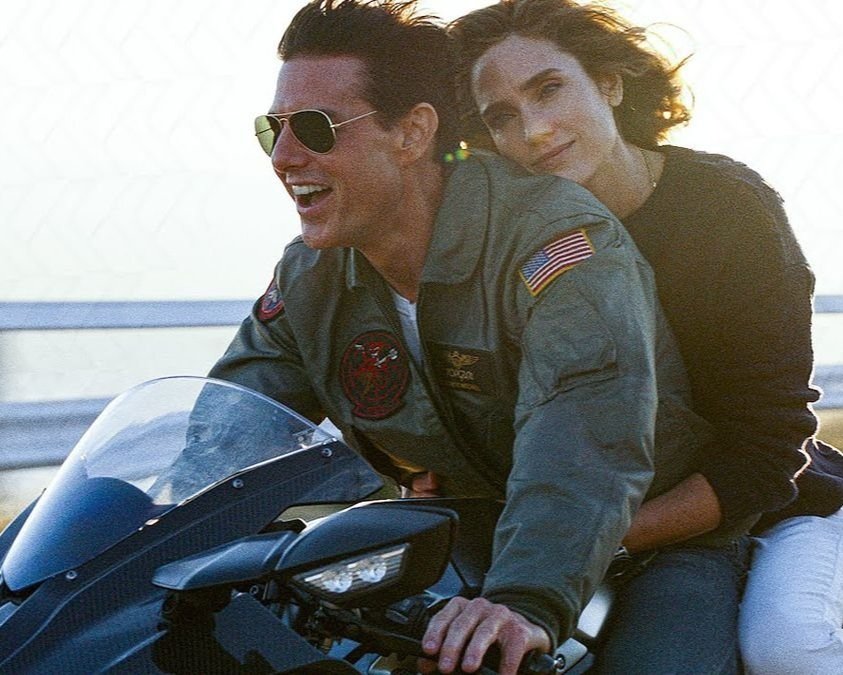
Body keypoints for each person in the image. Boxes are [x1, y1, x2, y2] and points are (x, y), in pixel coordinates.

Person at [207, 1, 752, 673]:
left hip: (653, 545)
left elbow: (581, 442)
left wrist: (522, 600)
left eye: (316, 128)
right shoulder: (310, 278)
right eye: (274, 129)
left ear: (412, 133)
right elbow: (225, 435)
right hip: (473, 546)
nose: (285, 157)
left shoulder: (554, 243)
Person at [447, 0, 843, 672]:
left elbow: (767, 449)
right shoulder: (508, 241)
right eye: (501, 116)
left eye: (549, 88)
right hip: (602, 526)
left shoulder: (725, 208)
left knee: (787, 645)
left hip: (782, 509)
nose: (535, 129)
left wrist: (578, 543)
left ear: (608, 82)